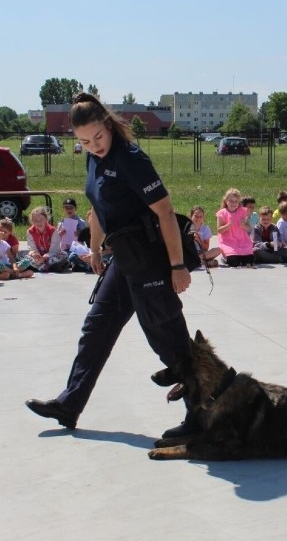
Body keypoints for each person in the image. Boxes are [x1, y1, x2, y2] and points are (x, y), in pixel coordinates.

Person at [26, 92, 195, 437]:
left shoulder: (131, 158)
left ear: (108, 125)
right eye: (84, 141)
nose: (94, 145)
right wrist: (96, 247)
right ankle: (70, 403)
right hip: (123, 259)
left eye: (98, 137)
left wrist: (177, 266)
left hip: (149, 261)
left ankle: (205, 414)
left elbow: (164, 211)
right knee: (96, 329)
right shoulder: (93, 159)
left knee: (169, 340)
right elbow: (97, 205)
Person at [216, 188, 255, 268]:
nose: (233, 203)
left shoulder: (242, 211)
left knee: (249, 262)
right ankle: (226, 257)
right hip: (229, 242)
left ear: (239, 202)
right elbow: (219, 230)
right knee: (234, 262)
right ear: (226, 201)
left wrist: (243, 225)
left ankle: (241, 255)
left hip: (242, 241)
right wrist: (228, 226)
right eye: (231, 201)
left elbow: (248, 227)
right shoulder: (222, 213)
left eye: (236, 201)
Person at [26, 206, 69, 272]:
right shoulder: (30, 231)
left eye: (41, 219)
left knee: (64, 255)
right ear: (32, 221)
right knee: (21, 254)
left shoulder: (53, 231)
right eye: (36, 220)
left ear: (46, 219)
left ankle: (39, 266)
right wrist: (36, 255)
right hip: (38, 257)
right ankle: (46, 266)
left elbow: (54, 250)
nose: (38, 222)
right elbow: (32, 248)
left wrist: (45, 257)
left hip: (51, 256)